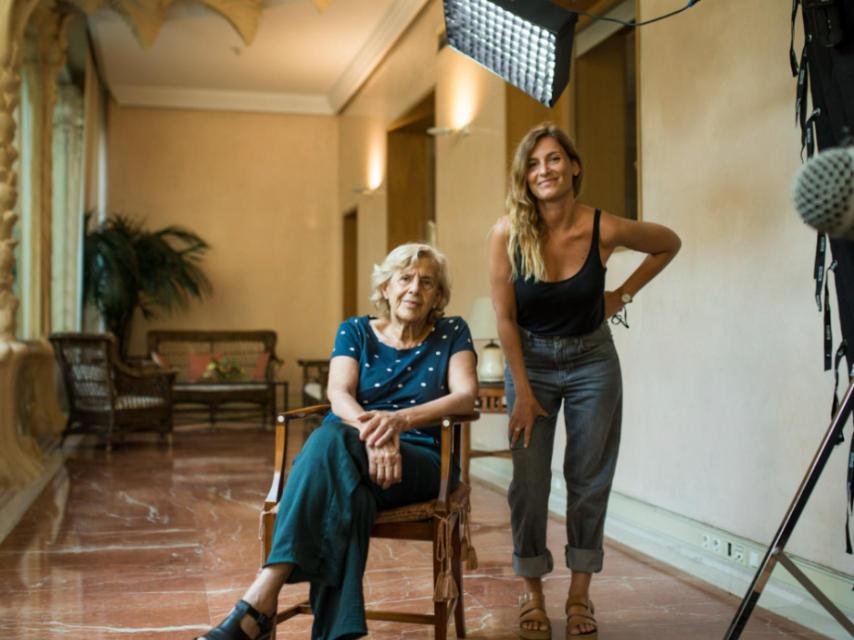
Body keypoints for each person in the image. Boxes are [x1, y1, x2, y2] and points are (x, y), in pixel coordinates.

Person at [195, 243, 477, 640]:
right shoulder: (355, 330)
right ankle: (337, 634)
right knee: (350, 497)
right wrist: (375, 436)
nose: (415, 288)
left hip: (421, 462)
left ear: (438, 295)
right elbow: (339, 394)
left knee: (329, 439)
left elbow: (465, 396)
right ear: (385, 287)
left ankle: (260, 598)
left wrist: (396, 422)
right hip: (359, 448)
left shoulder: (452, 332)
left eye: (426, 282)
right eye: (405, 278)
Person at [488, 122, 681, 639]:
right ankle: (532, 592)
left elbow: (668, 243)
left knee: (588, 478)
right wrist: (523, 392)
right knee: (529, 481)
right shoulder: (507, 232)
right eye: (532, 163)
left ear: (573, 166)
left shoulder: (603, 227)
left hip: (593, 361)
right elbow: (505, 319)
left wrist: (621, 294)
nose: (543, 170)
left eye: (553, 159)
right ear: (524, 177)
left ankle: (579, 595)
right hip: (531, 363)